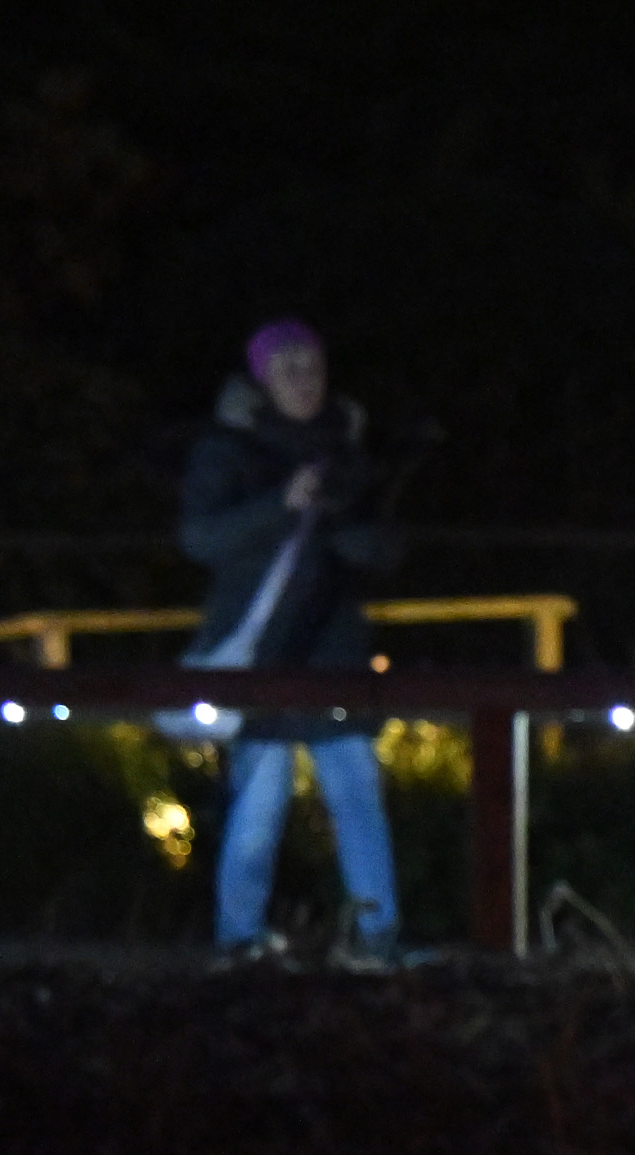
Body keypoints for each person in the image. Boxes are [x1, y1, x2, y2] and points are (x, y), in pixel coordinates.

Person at [180, 320, 404, 953]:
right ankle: (239, 940)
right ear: (261, 378)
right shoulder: (228, 449)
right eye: (289, 368)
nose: (305, 380)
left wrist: (341, 526)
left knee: (357, 798)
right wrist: (282, 505)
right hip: (264, 654)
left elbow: (383, 546)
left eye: (313, 366)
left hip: (332, 647)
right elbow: (200, 539)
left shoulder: (349, 447)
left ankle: (378, 938)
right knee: (258, 803)